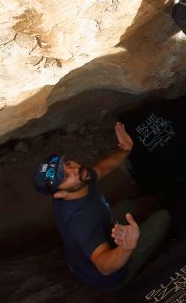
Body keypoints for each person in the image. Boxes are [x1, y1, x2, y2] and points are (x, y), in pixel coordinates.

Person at [32, 122, 170, 291]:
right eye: (66, 176)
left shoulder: (76, 185)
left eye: (67, 164)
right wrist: (126, 248)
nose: (75, 169)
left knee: (137, 204)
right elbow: (104, 266)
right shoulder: (83, 221)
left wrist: (125, 149)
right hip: (111, 275)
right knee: (164, 217)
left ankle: (159, 198)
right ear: (60, 194)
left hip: (90, 244)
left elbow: (101, 169)